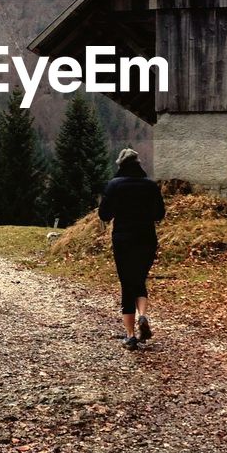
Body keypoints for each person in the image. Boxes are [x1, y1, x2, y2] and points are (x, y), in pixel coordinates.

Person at [98, 147, 166, 351]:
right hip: (146, 237)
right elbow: (159, 214)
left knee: (127, 283)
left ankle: (130, 336)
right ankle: (142, 316)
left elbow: (104, 215)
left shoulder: (114, 185)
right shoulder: (150, 186)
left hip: (123, 239)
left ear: (120, 165)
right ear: (138, 164)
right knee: (139, 279)